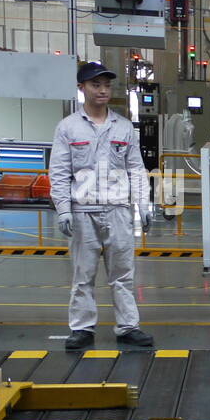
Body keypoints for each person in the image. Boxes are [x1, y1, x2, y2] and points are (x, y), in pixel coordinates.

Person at [48, 62, 154, 349]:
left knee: (123, 273)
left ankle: (128, 326)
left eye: (106, 85)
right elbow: (58, 172)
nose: (103, 90)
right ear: (82, 88)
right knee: (83, 274)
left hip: (118, 209)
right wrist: (64, 209)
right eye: (96, 85)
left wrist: (143, 204)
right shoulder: (68, 128)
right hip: (83, 211)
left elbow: (136, 169)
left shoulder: (123, 127)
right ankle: (82, 329)